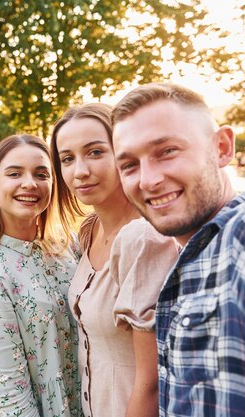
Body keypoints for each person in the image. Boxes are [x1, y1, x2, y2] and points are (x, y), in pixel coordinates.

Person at [111, 82, 245, 417]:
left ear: (222, 148)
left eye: (167, 151)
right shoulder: (188, 257)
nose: (147, 180)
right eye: (129, 165)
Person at [50, 103, 179, 417]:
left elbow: (150, 382)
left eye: (95, 152)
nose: (80, 171)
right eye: (67, 158)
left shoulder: (143, 238)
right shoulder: (89, 231)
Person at [0, 134, 81, 417]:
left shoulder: (70, 245)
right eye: (15, 173)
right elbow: (14, 395)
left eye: (41, 174)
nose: (30, 183)